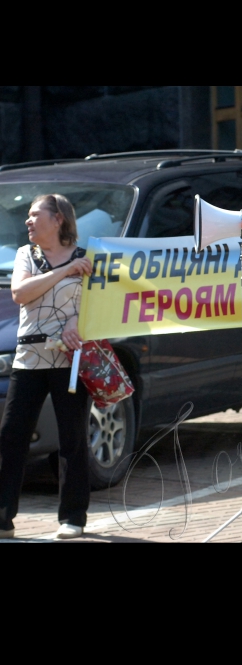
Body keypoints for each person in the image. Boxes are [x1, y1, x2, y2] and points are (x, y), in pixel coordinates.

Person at [0, 194, 93, 540]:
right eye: (27, 215)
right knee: (12, 436)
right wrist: (65, 271)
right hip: (29, 360)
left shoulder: (88, 258)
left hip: (70, 360)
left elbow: (102, 304)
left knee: (72, 440)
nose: (28, 220)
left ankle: (73, 518)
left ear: (58, 219)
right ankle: (3, 517)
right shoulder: (28, 255)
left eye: (35, 214)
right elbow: (21, 293)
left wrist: (80, 325)